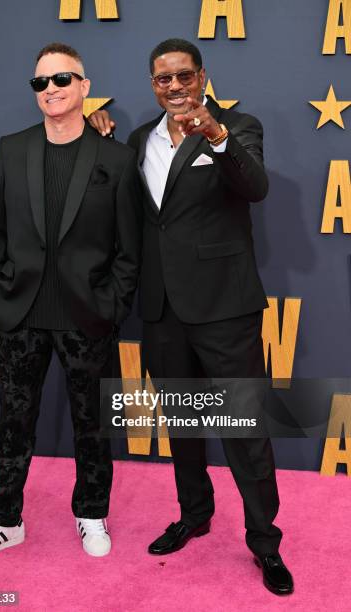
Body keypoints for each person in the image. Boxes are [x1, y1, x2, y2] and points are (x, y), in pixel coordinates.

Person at [89, 38, 293, 595]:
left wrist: (217, 136)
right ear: (152, 84)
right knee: (182, 424)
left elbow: (254, 187)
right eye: (163, 79)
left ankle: (264, 541)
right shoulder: (137, 141)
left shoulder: (237, 125)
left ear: (202, 76)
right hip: (161, 310)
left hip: (225, 307)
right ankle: (194, 514)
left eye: (183, 76)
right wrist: (95, 136)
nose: (174, 86)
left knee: (243, 429)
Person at [0, 42, 140, 563]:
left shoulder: (116, 157)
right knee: (13, 421)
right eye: (40, 82)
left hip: (90, 316)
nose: (51, 90)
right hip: (20, 313)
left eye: (62, 79)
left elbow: (130, 248)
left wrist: (112, 304)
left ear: (84, 86)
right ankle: (3, 520)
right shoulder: (11, 148)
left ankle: (90, 513)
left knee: (93, 423)